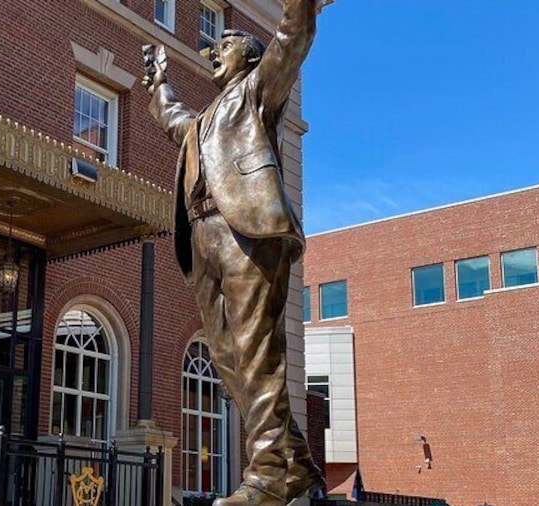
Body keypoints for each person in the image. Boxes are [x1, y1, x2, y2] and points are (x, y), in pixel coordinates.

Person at [142, 1, 325, 504]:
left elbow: (293, 38)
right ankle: (299, 464)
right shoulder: (203, 121)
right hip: (203, 237)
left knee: (258, 352)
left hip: (248, 231)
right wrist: (158, 82)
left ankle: (267, 478)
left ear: (248, 57)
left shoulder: (259, 92)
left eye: (223, 45)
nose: (212, 53)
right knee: (227, 360)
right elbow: (174, 119)